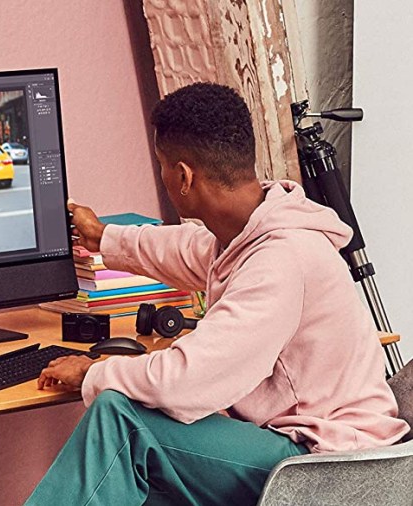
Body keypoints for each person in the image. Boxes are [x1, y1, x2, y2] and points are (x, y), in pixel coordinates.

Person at [28, 83, 409, 505]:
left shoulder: (281, 258)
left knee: (123, 420)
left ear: (184, 176)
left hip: (328, 469)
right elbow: (187, 250)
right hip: (301, 444)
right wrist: (103, 237)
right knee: (139, 469)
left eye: (161, 165)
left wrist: (92, 373)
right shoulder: (252, 231)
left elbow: (190, 382)